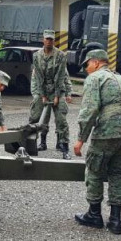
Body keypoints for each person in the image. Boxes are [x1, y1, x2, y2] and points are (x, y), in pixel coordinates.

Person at [72, 49, 121, 235]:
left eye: (86, 64)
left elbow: (89, 110)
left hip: (109, 130)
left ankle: (94, 215)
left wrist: (80, 139)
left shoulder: (95, 78)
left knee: (94, 170)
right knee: (117, 173)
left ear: (95, 62)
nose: (86, 69)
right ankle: (115, 220)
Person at [29, 30, 73, 159]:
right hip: (42, 89)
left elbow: (61, 77)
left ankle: (64, 147)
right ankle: (39, 143)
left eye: (51, 39)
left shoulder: (60, 55)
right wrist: (42, 95)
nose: (49, 41)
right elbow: (37, 76)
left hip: (57, 90)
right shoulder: (36, 56)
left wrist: (57, 96)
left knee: (61, 119)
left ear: (54, 41)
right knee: (37, 117)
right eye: (47, 39)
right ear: (43, 39)